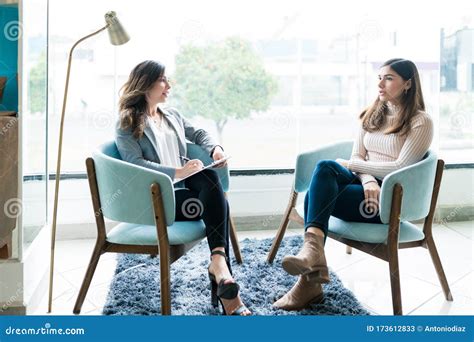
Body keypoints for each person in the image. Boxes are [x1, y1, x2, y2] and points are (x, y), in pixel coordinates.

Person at [273, 58, 433, 310]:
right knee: (325, 167)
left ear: (408, 84)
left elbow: (401, 167)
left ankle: (310, 279)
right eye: (379, 77)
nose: (380, 83)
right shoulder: (373, 114)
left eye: (389, 78)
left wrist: (354, 168)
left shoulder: (420, 121)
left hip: (387, 201)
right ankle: (313, 253)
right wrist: (367, 179)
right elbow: (358, 156)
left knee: (318, 199)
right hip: (365, 186)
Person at [115, 60, 250, 316]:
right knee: (216, 202)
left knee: (210, 179)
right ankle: (222, 274)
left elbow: (198, 133)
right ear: (146, 84)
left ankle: (218, 263)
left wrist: (214, 149)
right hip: (158, 200)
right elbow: (134, 164)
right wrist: (178, 172)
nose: (169, 85)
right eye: (163, 80)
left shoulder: (171, 115)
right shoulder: (128, 122)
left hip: (185, 189)